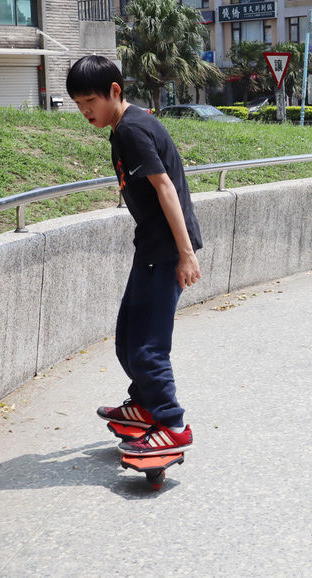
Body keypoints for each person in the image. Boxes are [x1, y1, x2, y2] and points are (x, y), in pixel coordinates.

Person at [67, 55, 201, 456]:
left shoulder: (132, 130)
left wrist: (186, 253)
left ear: (114, 91)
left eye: (90, 100)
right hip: (152, 248)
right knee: (128, 338)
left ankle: (172, 422)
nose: (85, 110)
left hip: (165, 251)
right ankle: (144, 406)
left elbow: (165, 188)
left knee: (147, 345)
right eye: (78, 104)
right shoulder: (127, 126)